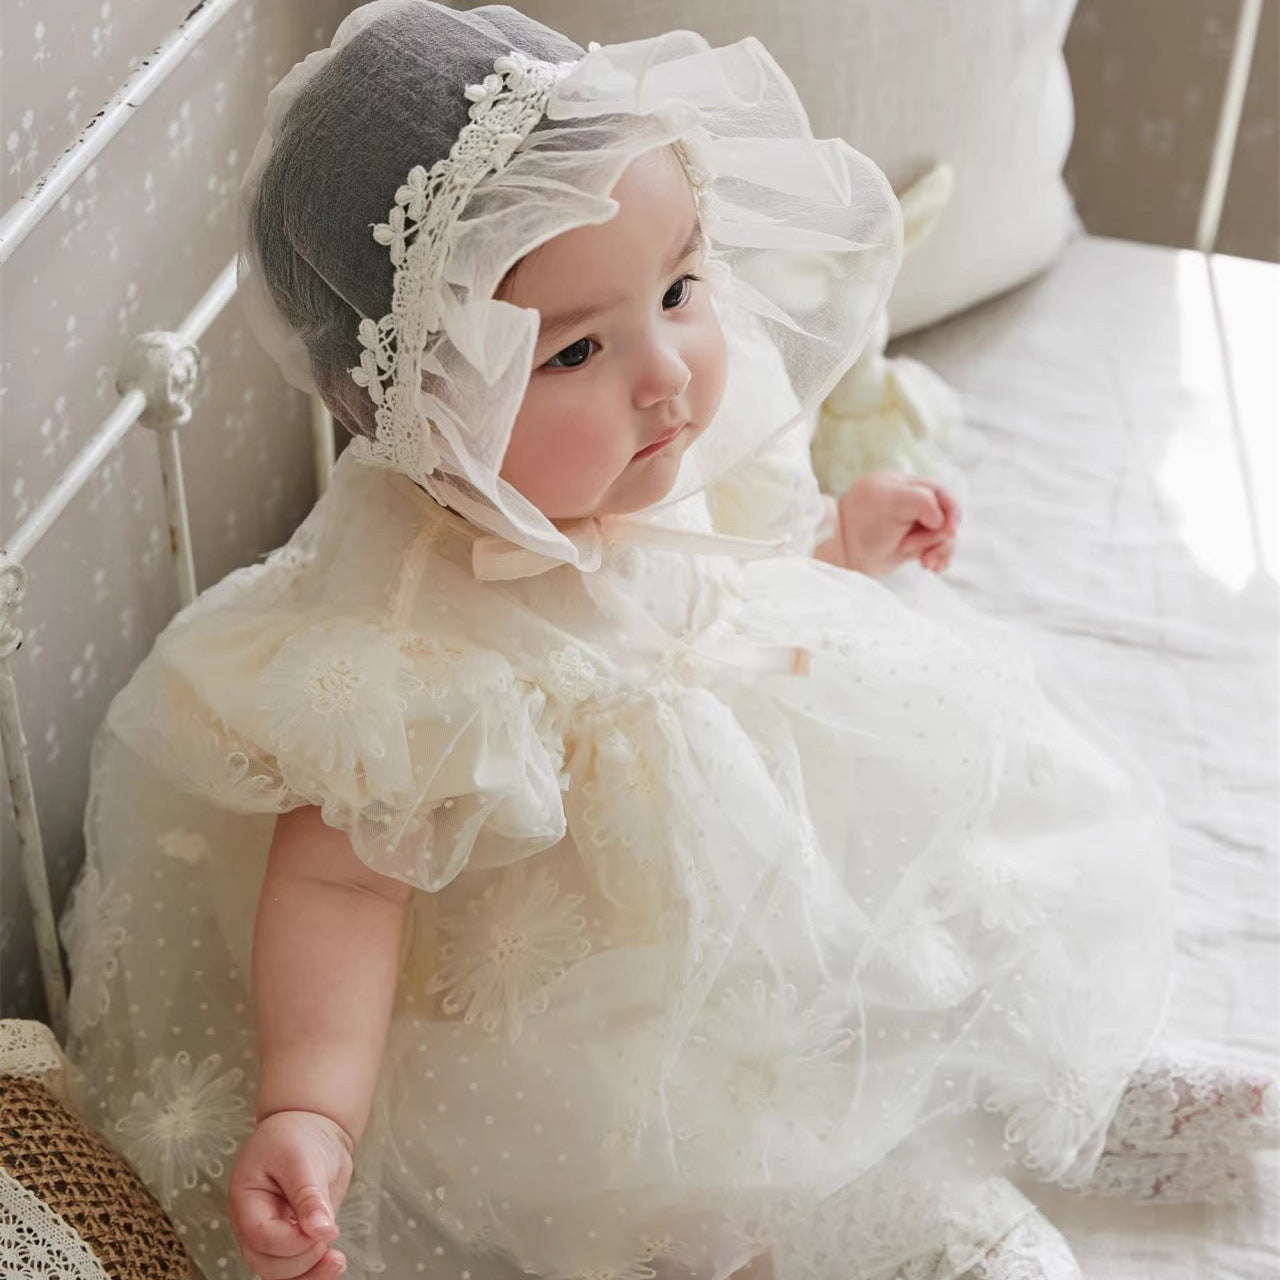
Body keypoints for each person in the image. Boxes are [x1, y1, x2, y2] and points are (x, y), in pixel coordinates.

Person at [56, 5, 1278, 1280]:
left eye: (681, 287)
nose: (669, 375)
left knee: (939, 917)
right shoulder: (402, 629)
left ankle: (1050, 1088)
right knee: (715, 1175)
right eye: (576, 347)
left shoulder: (657, 444)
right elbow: (340, 884)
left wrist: (837, 547)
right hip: (606, 1001)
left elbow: (717, 586)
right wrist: (313, 1104)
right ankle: (901, 1231)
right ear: (411, 403)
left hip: (772, 834)